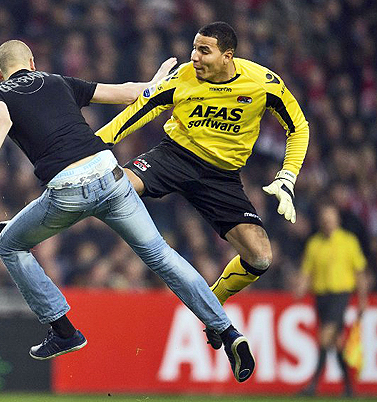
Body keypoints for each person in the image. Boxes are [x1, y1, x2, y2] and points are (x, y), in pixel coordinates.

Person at [0, 40, 255, 382]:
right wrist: (156, 81)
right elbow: (128, 93)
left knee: (9, 245)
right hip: (111, 176)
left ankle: (63, 330)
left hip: (68, 191)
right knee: (163, 256)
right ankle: (228, 331)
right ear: (32, 61)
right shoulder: (58, 81)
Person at [95, 21, 310, 349]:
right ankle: (32, 225)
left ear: (227, 56)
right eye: (194, 48)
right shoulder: (183, 77)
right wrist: (94, 145)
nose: (194, 57)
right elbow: (141, 110)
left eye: (204, 51)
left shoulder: (264, 84)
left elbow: (298, 127)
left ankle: (212, 303)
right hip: (175, 156)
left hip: (221, 177)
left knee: (261, 257)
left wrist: (288, 176)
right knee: (107, 186)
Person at [296, 203, 368, 397]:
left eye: (330, 218)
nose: (327, 222)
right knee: (337, 343)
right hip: (321, 297)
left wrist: (362, 300)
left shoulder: (348, 242)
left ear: (337, 220)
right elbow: (306, 271)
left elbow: (359, 272)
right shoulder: (314, 243)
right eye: (324, 219)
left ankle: (312, 385)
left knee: (325, 336)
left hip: (340, 295)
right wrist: (300, 287)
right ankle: (349, 388)